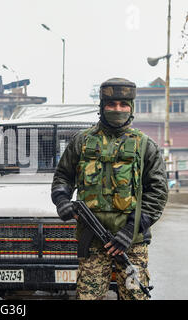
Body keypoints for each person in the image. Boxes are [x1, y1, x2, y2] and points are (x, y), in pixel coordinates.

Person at [51, 78, 168, 300]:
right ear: (102, 107)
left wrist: (130, 230)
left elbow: (158, 193)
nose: (117, 109)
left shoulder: (145, 145)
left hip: (131, 242)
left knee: (135, 297)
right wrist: (62, 200)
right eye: (111, 104)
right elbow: (63, 177)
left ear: (131, 108)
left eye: (123, 105)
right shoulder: (82, 141)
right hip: (93, 239)